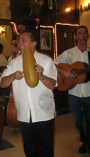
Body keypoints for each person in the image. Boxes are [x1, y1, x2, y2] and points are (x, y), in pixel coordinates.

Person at [0, 29, 57, 157]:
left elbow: (53, 85)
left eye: (23, 40)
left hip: (44, 113)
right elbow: (3, 83)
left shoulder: (46, 61)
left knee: (46, 148)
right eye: (19, 40)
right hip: (24, 113)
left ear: (34, 42)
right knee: (30, 149)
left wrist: (41, 76)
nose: (19, 42)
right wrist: (13, 76)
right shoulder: (13, 63)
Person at [54, 25, 90, 153]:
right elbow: (54, 64)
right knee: (77, 121)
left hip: (89, 92)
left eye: (85, 33)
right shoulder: (69, 53)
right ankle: (84, 139)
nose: (83, 35)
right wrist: (64, 72)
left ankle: (86, 143)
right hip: (74, 93)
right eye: (80, 33)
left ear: (87, 35)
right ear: (75, 36)